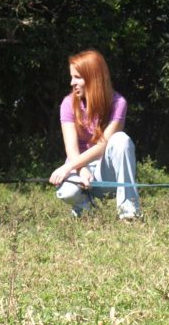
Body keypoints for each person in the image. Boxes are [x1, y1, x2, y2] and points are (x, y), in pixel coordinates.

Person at [48, 49, 142, 220]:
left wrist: (66, 167)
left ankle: (129, 213)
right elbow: (71, 148)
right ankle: (86, 211)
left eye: (77, 77)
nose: (72, 83)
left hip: (105, 169)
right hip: (79, 166)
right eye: (71, 77)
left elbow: (102, 147)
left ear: (93, 77)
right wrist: (81, 169)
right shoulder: (67, 103)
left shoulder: (118, 102)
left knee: (122, 140)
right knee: (67, 192)